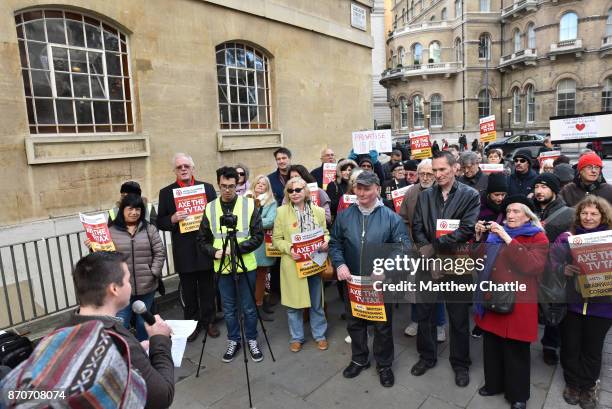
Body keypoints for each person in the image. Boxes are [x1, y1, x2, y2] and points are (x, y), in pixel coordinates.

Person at [329, 171, 411, 387]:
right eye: (358, 188)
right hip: (353, 282)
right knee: (355, 323)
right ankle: (359, 359)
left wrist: (386, 268)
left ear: (377, 189)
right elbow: (335, 243)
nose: (362, 192)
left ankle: (384, 365)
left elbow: (403, 248)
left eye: (366, 188)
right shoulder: (345, 216)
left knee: (382, 326)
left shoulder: (391, 217)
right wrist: (340, 264)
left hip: (379, 283)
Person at [66, 252, 174, 409]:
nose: (130, 285)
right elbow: (162, 396)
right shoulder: (117, 342)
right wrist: (160, 340)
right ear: (114, 289)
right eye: (127, 280)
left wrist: (139, 352)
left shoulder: (61, 331)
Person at [410, 150, 480, 387]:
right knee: (425, 313)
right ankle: (426, 357)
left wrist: (436, 247)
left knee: (458, 317)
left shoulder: (470, 195)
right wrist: (425, 250)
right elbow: (417, 226)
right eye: (434, 170)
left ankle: (460, 363)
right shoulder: (425, 195)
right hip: (428, 261)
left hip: (456, 261)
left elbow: (466, 229)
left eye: (442, 170)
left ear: (455, 169)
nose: (437, 175)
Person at [473, 195, 549, 409]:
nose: (511, 215)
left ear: (528, 215)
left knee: (516, 350)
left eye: (516, 211)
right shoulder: (493, 236)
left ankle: (518, 395)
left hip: (520, 303)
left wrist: (508, 238)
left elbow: (532, 266)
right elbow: (478, 262)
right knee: (492, 346)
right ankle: (493, 384)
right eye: (508, 212)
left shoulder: (538, 237)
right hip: (492, 298)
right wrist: (479, 238)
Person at [197, 166, 264, 363]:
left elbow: (258, 236)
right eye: (223, 186)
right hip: (222, 266)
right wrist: (214, 252)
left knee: (249, 307)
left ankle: (251, 339)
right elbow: (202, 239)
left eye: (232, 186)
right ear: (218, 184)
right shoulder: (210, 208)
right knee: (228, 307)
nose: (227, 190)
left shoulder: (249, 205)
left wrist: (237, 249)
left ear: (238, 185)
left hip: (246, 264)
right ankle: (233, 339)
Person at [551, 196, 612, 409]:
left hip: (603, 306)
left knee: (593, 349)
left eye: (594, 213)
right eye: (584, 213)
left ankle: (588, 386)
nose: (588, 217)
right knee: (571, 345)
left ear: (603, 216)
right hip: (572, 304)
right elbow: (551, 262)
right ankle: (572, 384)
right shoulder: (567, 237)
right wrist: (563, 269)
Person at [157, 153, 219, 342]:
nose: (183, 169)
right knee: (189, 290)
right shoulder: (166, 192)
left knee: (208, 288)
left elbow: (217, 213)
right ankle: (192, 324)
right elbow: (160, 221)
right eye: (179, 167)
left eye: (186, 166)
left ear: (193, 168)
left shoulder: (207, 188)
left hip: (206, 246)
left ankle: (209, 321)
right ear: (175, 171)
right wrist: (172, 219)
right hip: (184, 249)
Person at [272, 177, 330, 352]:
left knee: (316, 302)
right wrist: (290, 249)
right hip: (293, 264)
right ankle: (296, 337)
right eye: (290, 191)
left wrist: (326, 241)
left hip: (314, 262)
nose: (295, 193)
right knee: (293, 305)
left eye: (298, 189)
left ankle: (319, 335)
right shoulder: (281, 212)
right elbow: (276, 240)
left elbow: (326, 233)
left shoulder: (318, 211)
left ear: (306, 191)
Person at [398, 159, 447, 341]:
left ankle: (440, 324)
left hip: (437, 249)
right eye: (422, 174)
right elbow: (403, 219)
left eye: (429, 174)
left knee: (437, 289)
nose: (425, 177)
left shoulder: (443, 192)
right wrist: (409, 243)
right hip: (415, 249)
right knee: (414, 287)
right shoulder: (411, 191)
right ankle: (416, 321)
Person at [106, 195, 166, 342]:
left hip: (147, 287)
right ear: (122, 210)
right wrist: (92, 247)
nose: (134, 212)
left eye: (138, 209)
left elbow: (159, 252)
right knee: (121, 324)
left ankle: (143, 354)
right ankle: (124, 355)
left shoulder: (149, 229)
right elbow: (103, 257)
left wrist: (153, 272)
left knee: (143, 324)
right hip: (122, 289)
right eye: (130, 208)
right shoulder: (111, 231)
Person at [532, 173, 574, 366]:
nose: (539, 191)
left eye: (544, 187)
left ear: (554, 191)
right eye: (536, 187)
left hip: (553, 271)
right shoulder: (527, 209)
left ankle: (550, 346)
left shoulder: (568, 214)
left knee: (552, 309)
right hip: (529, 268)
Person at [247, 175, 277, 321]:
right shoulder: (244, 199)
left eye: (263, 184)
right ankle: (248, 308)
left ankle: (258, 306)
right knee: (246, 278)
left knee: (260, 276)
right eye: (258, 182)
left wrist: (250, 222)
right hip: (246, 243)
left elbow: (270, 221)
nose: (260, 185)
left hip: (261, 244)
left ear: (267, 187)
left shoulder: (271, 202)